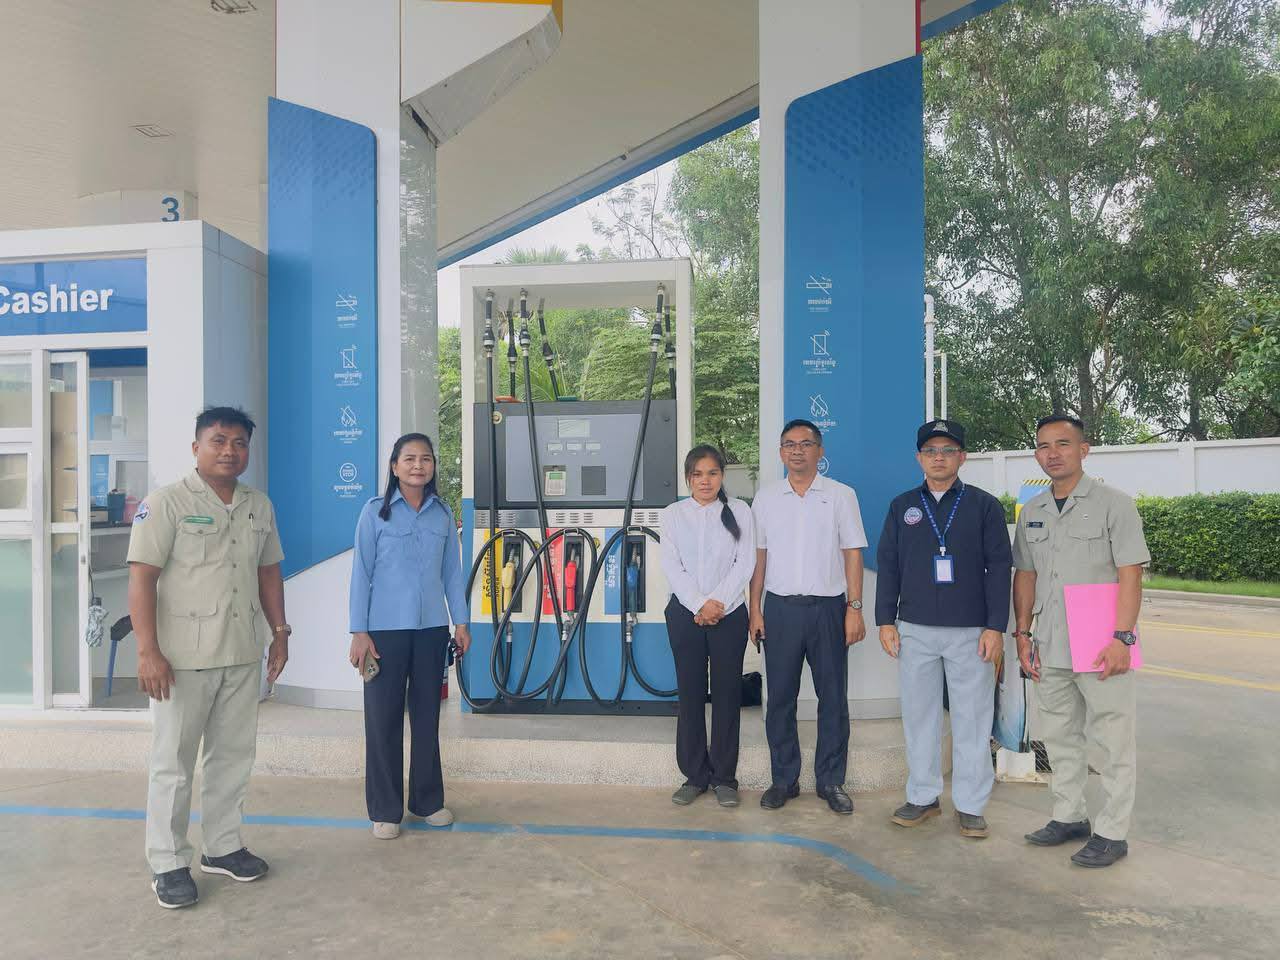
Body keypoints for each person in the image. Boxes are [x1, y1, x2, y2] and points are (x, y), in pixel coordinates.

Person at [128, 406, 290, 910]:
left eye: (239, 443)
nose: (229, 451)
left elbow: (269, 572)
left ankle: (222, 847)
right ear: (196, 447)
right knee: (173, 763)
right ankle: (168, 862)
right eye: (219, 441)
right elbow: (142, 578)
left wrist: (280, 633)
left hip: (241, 651)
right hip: (181, 659)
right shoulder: (166, 503)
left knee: (233, 757)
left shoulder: (258, 505)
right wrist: (147, 651)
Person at [1013, 414, 1149, 868]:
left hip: (1100, 643)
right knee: (1059, 736)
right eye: (1043, 446)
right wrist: (1023, 633)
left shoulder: (1115, 505)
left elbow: (1130, 574)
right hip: (1050, 642)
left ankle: (1112, 832)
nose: (1052, 453)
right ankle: (1069, 815)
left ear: (1084, 450)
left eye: (1063, 444)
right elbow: (1026, 575)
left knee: (1112, 741)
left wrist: (1123, 638)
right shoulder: (1033, 511)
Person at [875, 419, 1011, 839]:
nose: (939, 457)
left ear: (962, 457)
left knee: (972, 719)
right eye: (931, 451)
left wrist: (995, 627)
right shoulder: (902, 506)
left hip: (971, 630)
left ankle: (970, 805)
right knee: (920, 717)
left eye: (948, 450)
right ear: (919, 458)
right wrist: (885, 620)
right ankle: (923, 796)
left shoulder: (984, 506)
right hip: (914, 628)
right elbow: (889, 565)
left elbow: (999, 568)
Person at [348, 433, 471, 840]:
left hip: (431, 631)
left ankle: (427, 801)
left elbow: (452, 573)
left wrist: (461, 623)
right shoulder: (375, 513)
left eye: (426, 459)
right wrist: (359, 631)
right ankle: (385, 809)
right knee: (382, 720)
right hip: (384, 632)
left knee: (426, 717)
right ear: (394, 466)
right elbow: (361, 574)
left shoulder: (442, 514)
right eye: (410, 459)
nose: (419, 466)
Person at [748, 419, 868, 815]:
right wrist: (755, 609)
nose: (797, 450)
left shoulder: (840, 496)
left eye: (805, 444)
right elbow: (759, 558)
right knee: (780, 698)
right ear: (781, 452)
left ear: (820, 450)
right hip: (780, 610)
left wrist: (854, 608)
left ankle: (831, 781)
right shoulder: (766, 499)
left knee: (832, 698)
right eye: (789, 444)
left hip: (828, 610)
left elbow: (853, 552)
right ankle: (784, 780)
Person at [659, 445, 756, 808]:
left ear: (722, 476)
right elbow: (672, 566)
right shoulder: (673, 515)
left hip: (729, 615)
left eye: (712, 473)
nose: (705, 481)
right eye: (698, 474)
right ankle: (694, 776)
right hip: (685, 614)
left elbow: (745, 563)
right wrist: (699, 604)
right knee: (690, 693)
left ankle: (724, 778)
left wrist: (717, 603)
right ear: (688, 478)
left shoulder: (740, 511)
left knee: (728, 694)